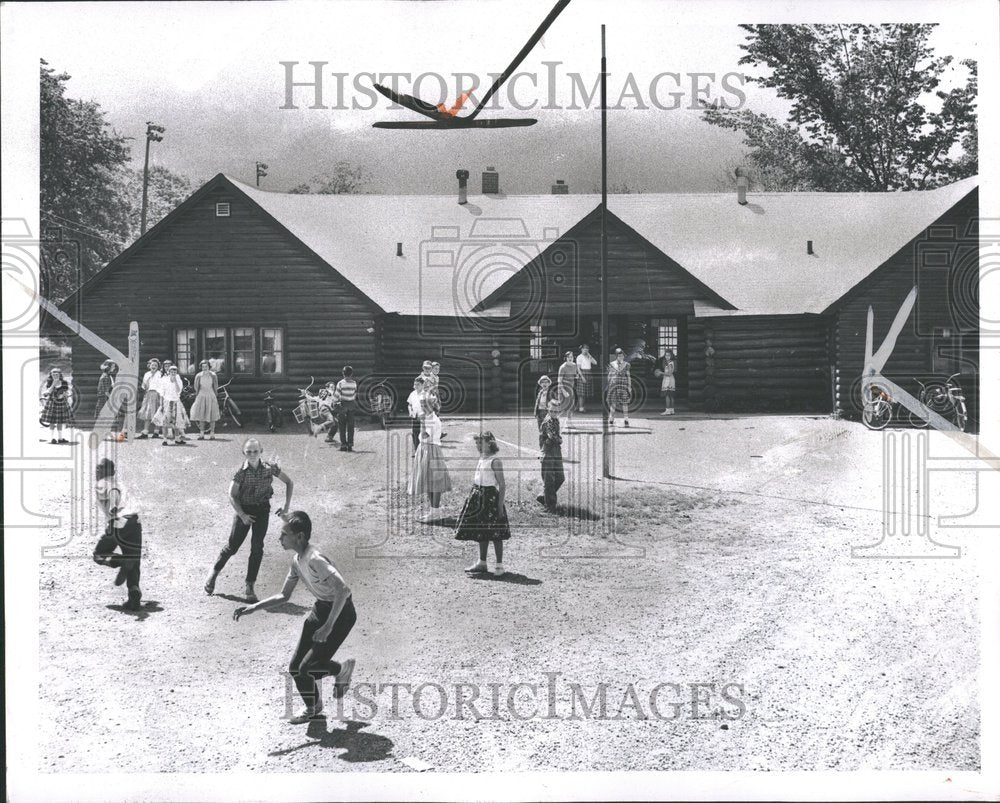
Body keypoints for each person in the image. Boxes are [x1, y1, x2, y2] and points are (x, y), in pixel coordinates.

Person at [232, 511, 356, 724]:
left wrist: (327, 627)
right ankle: (314, 707)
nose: (280, 539)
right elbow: (284, 595)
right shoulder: (297, 561)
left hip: (341, 613)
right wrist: (254, 607)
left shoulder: (315, 559)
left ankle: (341, 670)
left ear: (299, 537)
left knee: (308, 668)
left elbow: (342, 591)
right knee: (296, 668)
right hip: (321, 609)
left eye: (284, 534)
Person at [205, 437, 294, 602]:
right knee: (232, 547)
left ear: (261, 451)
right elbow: (232, 495)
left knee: (257, 548)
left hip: (262, 511)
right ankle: (213, 573)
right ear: (244, 453)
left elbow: (289, 482)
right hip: (244, 511)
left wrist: (286, 507)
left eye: (255, 451)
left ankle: (250, 585)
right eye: (248, 452)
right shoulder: (240, 473)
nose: (252, 454)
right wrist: (243, 515)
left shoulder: (270, 468)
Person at [455, 432, 510, 577]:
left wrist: (499, 506)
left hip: (490, 499)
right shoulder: (482, 458)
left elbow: (502, 484)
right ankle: (482, 562)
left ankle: (499, 565)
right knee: (481, 530)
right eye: (477, 444)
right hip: (478, 497)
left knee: (495, 532)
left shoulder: (495, 461)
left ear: (490, 443)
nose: (478, 446)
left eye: (481, 443)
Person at [93, 458, 143, 611]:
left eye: (100, 469)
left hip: (118, 522)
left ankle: (121, 562)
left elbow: (113, 494)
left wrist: (113, 507)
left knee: (99, 555)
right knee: (134, 560)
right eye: (97, 469)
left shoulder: (102, 483)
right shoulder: (122, 484)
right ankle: (134, 596)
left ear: (109, 472)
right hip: (135, 522)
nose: (97, 472)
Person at [408, 394, 452, 522]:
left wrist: (421, 422)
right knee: (428, 481)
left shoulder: (432, 419)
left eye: (425, 405)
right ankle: (433, 512)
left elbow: (424, 436)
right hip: (425, 449)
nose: (423, 407)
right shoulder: (427, 418)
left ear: (431, 406)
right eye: (421, 405)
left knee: (435, 481)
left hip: (431, 449)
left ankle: (436, 512)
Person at [538, 398, 565, 513]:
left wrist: (558, 440)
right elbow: (552, 436)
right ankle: (550, 506)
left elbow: (556, 437)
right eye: (552, 411)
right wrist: (560, 440)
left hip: (556, 451)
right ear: (548, 410)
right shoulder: (548, 421)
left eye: (556, 411)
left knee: (560, 477)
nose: (554, 413)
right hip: (548, 452)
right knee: (549, 480)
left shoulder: (556, 420)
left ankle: (543, 496)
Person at [40, 367, 73, 444]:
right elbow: (48, 392)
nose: (55, 375)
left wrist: (64, 394)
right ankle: (52, 438)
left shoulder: (64, 382)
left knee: (60, 421)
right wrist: (54, 383)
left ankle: (60, 438)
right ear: (51, 375)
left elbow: (67, 392)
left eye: (57, 374)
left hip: (62, 402)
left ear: (60, 374)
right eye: (53, 374)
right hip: (52, 403)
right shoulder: (49, 382)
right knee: (52, 421)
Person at [190, 360, 222, 439]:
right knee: (201, 414)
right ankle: (201, 433)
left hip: (210, 395)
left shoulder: (213, 375)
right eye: (203, 367)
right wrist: (198, 394)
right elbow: (196, 386)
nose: (204, 368)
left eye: (206, 366)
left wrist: (215, 394)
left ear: (209, 367)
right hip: (201, 395)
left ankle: (212, 433)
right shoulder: (198, 375)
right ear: (201, 367)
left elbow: (215, 386)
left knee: (212, 415)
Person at [158, 364, 188, 445]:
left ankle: (177, 439)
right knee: (165, 421)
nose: (173, 373)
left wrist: (175, 381)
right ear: (169, 372)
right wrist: (161, 404)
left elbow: (179, 390)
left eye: (174, 371)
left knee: (177, 421)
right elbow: (161, 392)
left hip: (176, 401)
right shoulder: (164, 380)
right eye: (171, 371)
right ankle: (165, 439)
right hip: (167, 401)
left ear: (176, 372)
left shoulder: (178, 380)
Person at [335, 366, 358, 452]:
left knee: (342, 426)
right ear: (351, 374)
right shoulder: (354, 383)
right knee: (351, 426)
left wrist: (335, 403)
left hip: (342, 405)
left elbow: (336, 395)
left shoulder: (340, 383)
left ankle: (343, 445)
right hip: (351, 405)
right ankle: (350, 445)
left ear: (343, 373)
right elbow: (355, 394)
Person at [137, 359, 163, 439]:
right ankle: (145, 432)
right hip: (148, 394)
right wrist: (146, 383)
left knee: (157, 413)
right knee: (147, 413)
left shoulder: (160, 374)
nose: (154, 367)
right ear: (149, 366)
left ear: (158, 367)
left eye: (155, 365)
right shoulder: (147, 374)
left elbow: (162, 384)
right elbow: (143, 386)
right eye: (152, 365)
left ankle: (156, 432)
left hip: (157, 394)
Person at [607, 348, 632, 427]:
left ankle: (626, 419)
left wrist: (629, 386)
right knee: (613, 403)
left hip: (623, 385)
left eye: (622, 355)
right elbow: (609, 375)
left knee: (625, 403)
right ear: (616, 356)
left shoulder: (627, 364)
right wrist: (609, 385)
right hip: (614, 385)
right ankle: (611, 419)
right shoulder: (612, 364)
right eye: (619, 356)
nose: (621, 357)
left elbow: (628, 376)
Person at [557, 351, 581, 423]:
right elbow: (559, 380)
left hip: (570, 388)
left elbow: (576, 374)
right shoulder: (563, 367)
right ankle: (553, 420)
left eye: (571, 357)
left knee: (571, 405)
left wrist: (576, 376)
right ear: (566, 358)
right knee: (561, 406)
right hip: (563, 388)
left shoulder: (574, 365)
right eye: (568, 357)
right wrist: (563, 391)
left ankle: (569, 422)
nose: (570, 358)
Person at [575, 345, 598, 412]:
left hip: (589, 373)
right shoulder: (579, 357)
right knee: (581, 393)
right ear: (581, 349)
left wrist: (590, 356)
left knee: (585, 392)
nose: (586, 350)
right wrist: (582, 377)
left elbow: (595, 363)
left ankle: (581, 406)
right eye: (584, 349)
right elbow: (578, 368)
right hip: (582, 373)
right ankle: (580, 407)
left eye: (587, 349)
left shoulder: (589, 356)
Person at [407, 376, 426, 453]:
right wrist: (410, 412)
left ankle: (424, 450)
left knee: (424, 433)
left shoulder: (425, 394)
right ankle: (416, 450)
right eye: (415, 384)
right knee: (415, 432)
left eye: (418, 384)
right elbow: (409, 405)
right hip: (415, 416)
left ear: (422, 385)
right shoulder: (412, 394)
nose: (416, 386)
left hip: (424, 417)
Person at [656, 348, 677, 415]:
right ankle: (672, 410)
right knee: (671, 395)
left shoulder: (670, 363)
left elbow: (669, 374)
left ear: (671, 356)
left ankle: (667, 410)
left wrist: (661, 373)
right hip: (668, 379)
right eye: (666, 355)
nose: (667, 357)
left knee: (667, 395)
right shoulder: (668, 363)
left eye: (668, 355)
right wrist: (663, 374)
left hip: (669, 380)